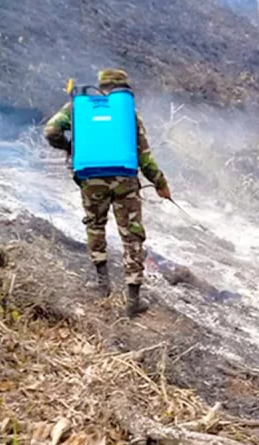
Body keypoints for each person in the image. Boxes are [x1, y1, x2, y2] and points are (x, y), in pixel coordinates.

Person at [43, 69, 171, 318]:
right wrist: (160, 183)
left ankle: (102, 284)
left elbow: (50, 131)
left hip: (91, 178)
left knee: (95, 225)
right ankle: (133, 298)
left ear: (102, 86)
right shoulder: (128, 113)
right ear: (124, 88)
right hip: (125, 180)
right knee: (132, 233)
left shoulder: (78, 107)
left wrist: (71, 147)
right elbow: (145, 157)